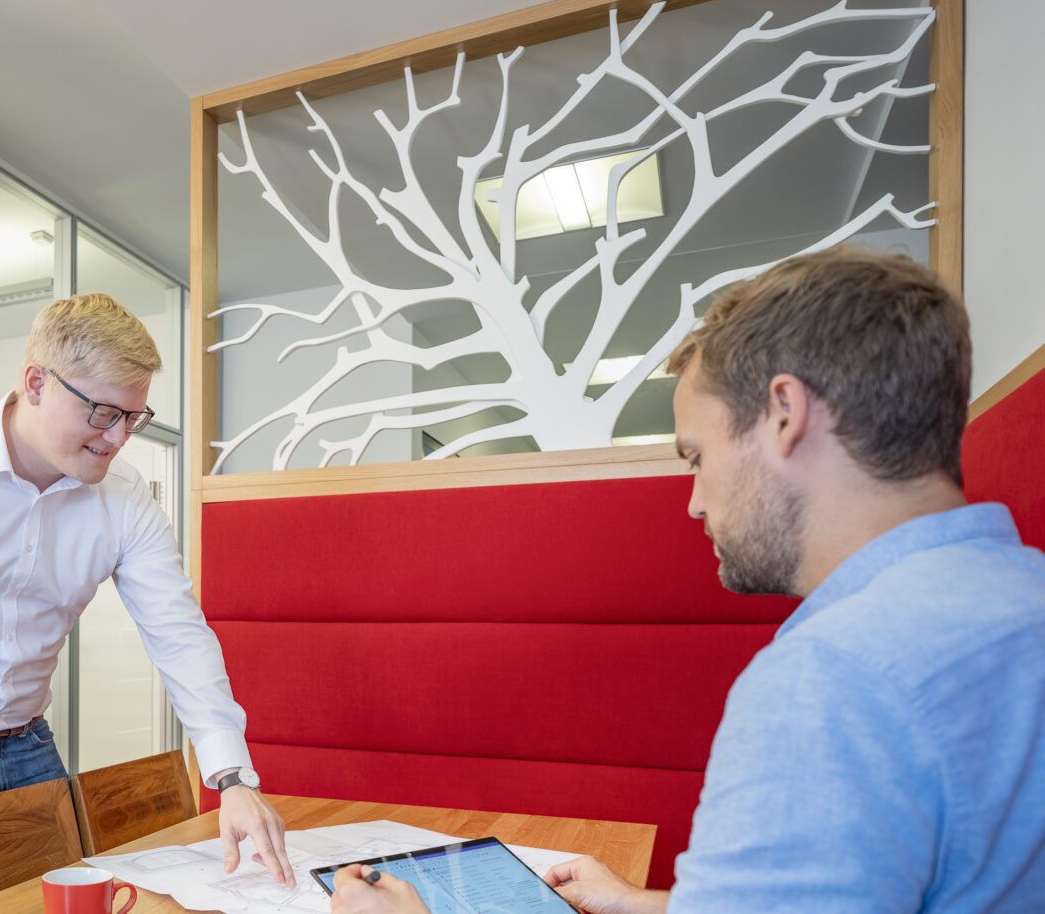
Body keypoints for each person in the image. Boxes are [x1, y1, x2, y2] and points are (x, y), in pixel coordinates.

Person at [329, 249, 1045, 914]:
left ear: (784, 414)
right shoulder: (1023, 596)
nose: (696, 501)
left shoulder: (833, 678)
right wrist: (650, 902)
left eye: (697, 455)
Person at [0, 293, 293, 913]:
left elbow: (179, 636)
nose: (119, 437)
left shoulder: (125, 501)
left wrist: (232, 779)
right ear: (36, 383)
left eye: (133, 416)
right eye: (101, 413)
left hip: (28, 748)